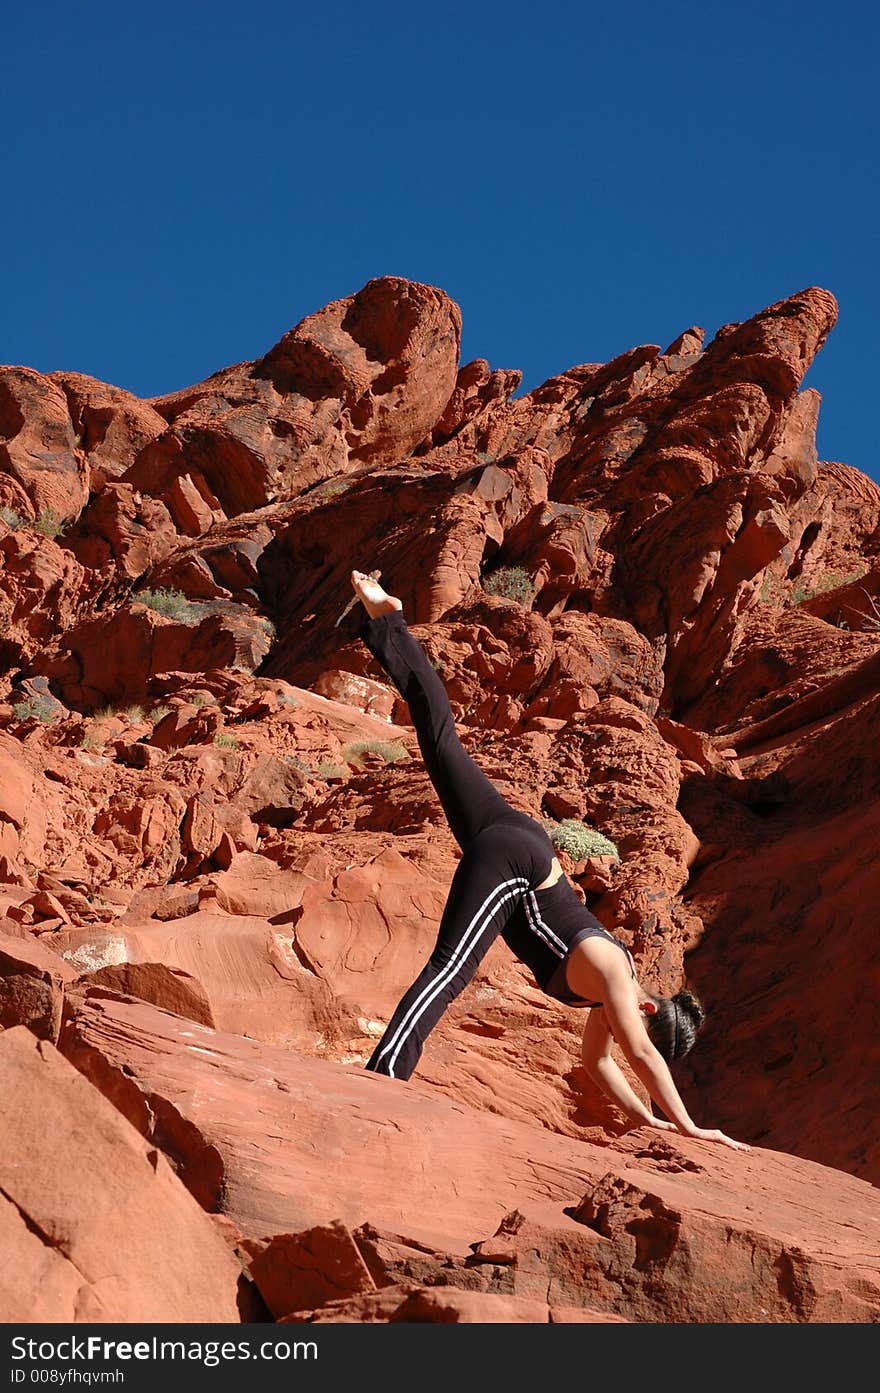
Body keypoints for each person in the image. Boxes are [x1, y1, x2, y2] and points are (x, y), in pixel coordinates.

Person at [349, 569, 750, 1153]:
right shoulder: (616, 976)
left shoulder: (612, 1000)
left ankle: (388, 620)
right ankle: (385, 1075)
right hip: (517, 861)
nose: (619, 1034)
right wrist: (691, 1126)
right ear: (642, 1009)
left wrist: (648, 1123)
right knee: (450, 968)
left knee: (441, 742)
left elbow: (600, 1066)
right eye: (631, 1025)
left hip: (516, 837)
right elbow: (638, 1054)